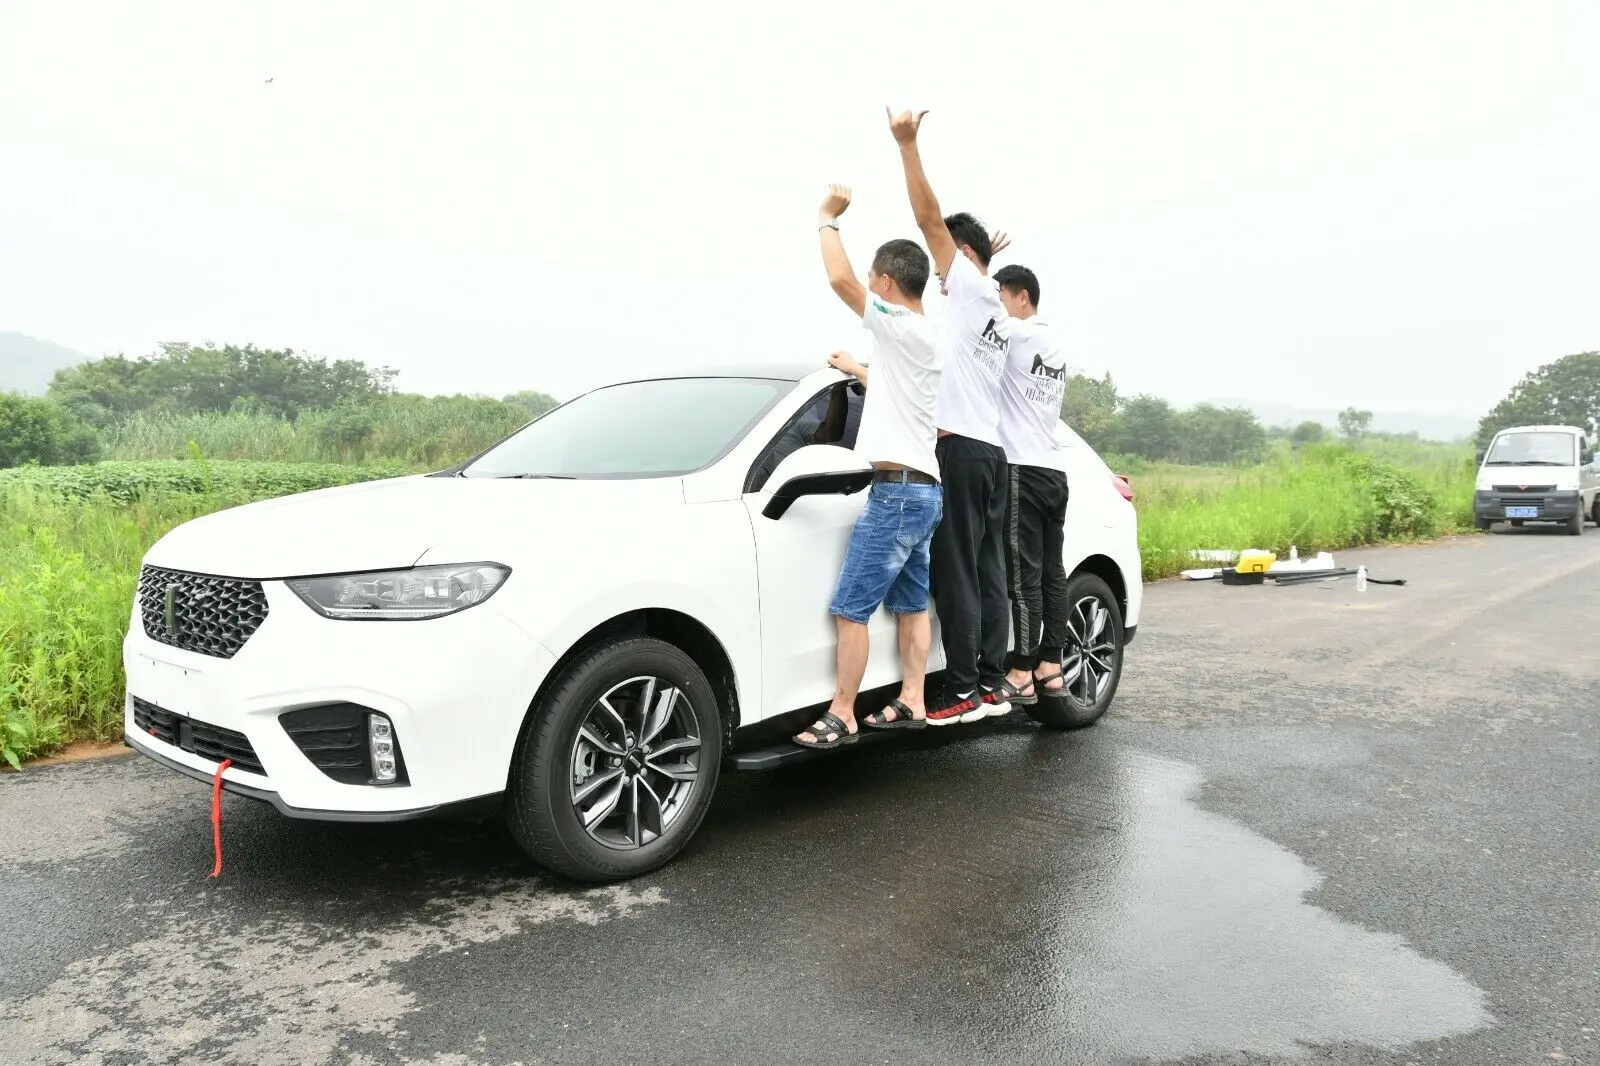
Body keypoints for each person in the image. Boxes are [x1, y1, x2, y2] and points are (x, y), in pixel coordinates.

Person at [793, 184, 944, 748]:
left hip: (896, 494)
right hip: (924, 492)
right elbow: (893, 389)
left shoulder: (897, 324)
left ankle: (843, 712)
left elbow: (839, 280)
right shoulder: (924, 338)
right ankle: (913, 699)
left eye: (873, 280)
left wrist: (826, 218)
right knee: (910, 604)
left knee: (850, 608)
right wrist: (856, 367)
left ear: (885, 283)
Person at [887, 106, 1012, 727]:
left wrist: (907, 144)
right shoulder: (995, 307)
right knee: (989, 569)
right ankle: (991, 681)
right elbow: (964, 254)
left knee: (957, 570)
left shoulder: (965, 286)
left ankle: (961, 688)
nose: (938, 280)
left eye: (944, 268)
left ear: (960, 257)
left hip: (960, 450)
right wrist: (982, 254)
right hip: (992, 454)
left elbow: (927, 219)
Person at [988, 263, 1071, 706]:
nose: (997, 305)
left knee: (1023, 579)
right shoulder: (1054, 343)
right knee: (1053, 574)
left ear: (1022, 297)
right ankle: (1050, 666)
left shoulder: (1017, 335)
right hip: (1054, 472)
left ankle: (1021, 671)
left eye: (1001, 296)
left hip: (1021, 468)